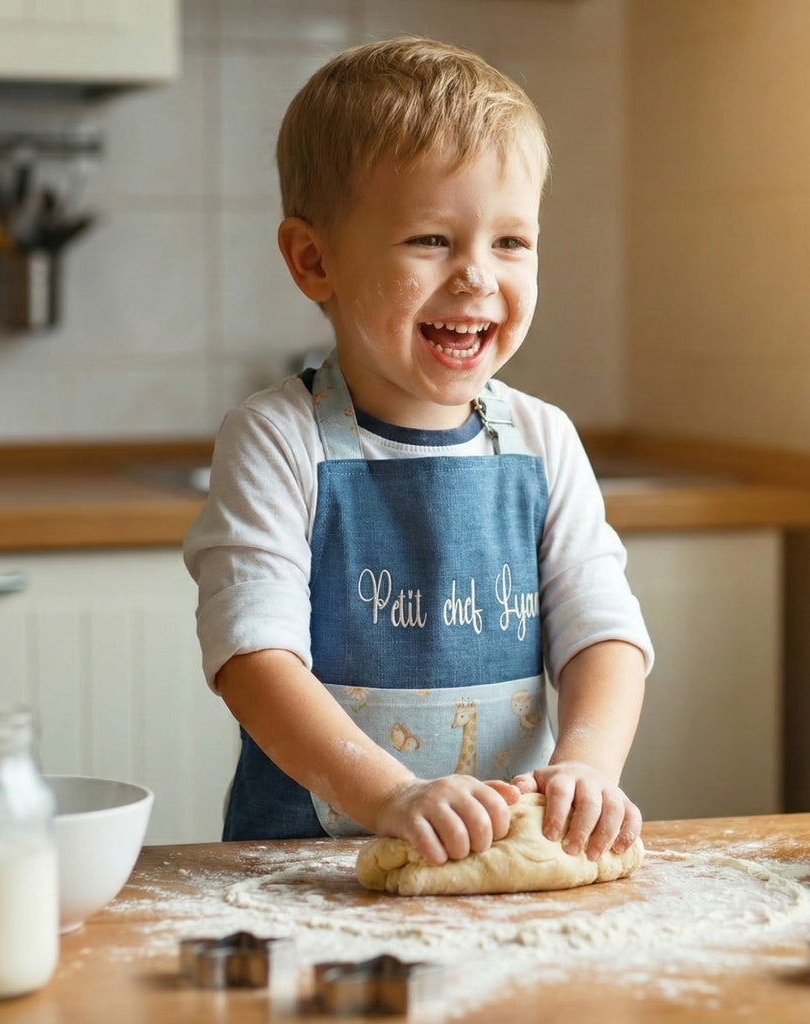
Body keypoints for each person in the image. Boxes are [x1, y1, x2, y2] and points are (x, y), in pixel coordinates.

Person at [183, 36, 653, 868]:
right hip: (303, 870)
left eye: (511, 242)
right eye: (432, 239)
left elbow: (603, 634)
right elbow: (253, 658)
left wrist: (586, 763)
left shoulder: (543, 440)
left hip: (502, 859)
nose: (477, 276)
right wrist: (389, 796)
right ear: (313, 259)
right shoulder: (277, 441)